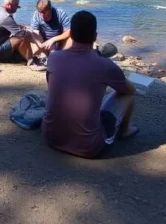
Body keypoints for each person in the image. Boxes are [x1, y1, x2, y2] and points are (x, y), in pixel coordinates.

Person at [43, 10, 138, 158]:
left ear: (71, 34)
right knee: (127, 95)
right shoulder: (105, 65)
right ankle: (125, 130)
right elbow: (130, 90)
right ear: (95, 37)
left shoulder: (54, 58)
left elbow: (51, 85)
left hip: (51, 137)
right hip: (88, 147)